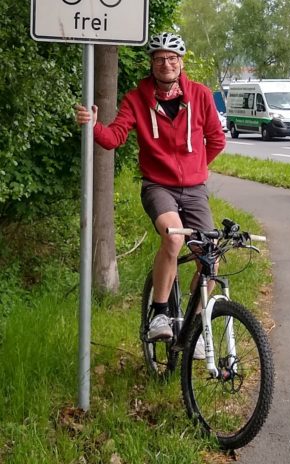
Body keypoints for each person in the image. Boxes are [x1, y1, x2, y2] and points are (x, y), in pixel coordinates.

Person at [75, 33, 226, 356]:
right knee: (173, 238)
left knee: (210, 259)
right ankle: (159, 312)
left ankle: (195, 327)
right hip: (158, 187)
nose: (166, 64)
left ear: (181, 62)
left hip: (194, 189)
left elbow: (216, 140)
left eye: (172, 58)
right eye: (160, 59)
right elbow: (114, 138)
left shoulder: (199, 96)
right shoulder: (137, 98)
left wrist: (200, 168)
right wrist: (93, 126)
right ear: (152, 64)